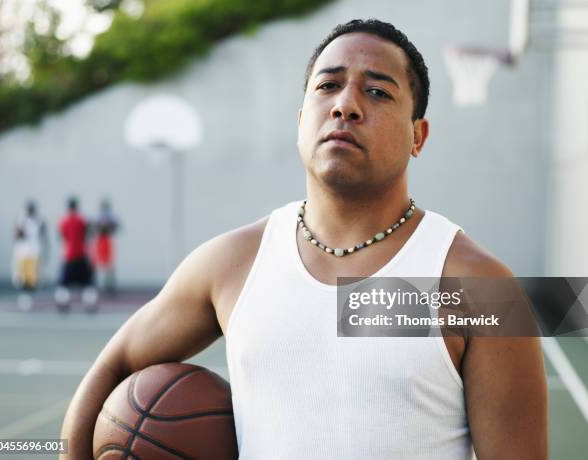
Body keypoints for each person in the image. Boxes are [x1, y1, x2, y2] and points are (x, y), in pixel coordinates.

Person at [61, 19, 547, 458]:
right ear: (300, 121)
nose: (345, 105)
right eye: (328, 86)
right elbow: (117, 361)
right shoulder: (231, 263)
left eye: (378, 93)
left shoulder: (477, 286)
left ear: (418, 136)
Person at [55, 196, 98, 313]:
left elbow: (62, 237)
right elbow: (88, 234)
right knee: (88, 282)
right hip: (81, 255)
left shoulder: (64, 221)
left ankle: (63, 303)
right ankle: (90, 304)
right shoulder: (82, 220)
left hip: (69, 256)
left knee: (63, 283)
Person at [12, 200, 48, 311]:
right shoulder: (20, 220)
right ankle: (25, 297)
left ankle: (29, 297)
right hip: (23, 252)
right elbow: (17, 235)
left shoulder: (39, 221)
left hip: (33, 252)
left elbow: (42, 236)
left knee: (33, 277)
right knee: (21, 277)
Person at [92, 198, 120, 295]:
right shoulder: (98, 216)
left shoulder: (111, 215)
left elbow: (117, 226)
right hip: (101, 240)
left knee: (109, 264)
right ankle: (100, 284)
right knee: (100, 264)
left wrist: (108, 226)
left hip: (107, 239)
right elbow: (94, 227)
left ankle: (110, 285)